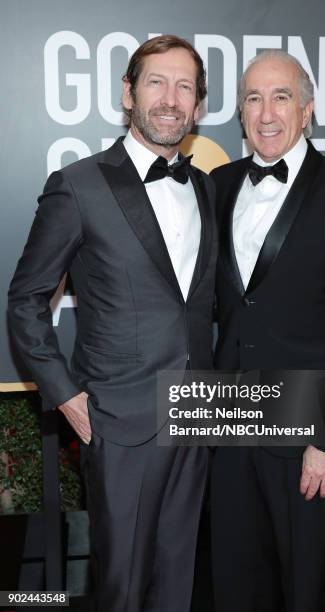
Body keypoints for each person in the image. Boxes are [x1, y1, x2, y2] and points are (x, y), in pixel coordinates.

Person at [8, 35, 217, 612]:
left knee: (179, 582)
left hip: (196, 416)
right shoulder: (78, 186)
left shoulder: (203, 188)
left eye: (185, 87)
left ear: (199, 105)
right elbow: (25, 299)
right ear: (128, 93)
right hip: (119, 421)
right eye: (157, 82)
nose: (171, 99)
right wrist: (67, 395)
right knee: (122, 586)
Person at [210, 49, 325, 611]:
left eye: (280, 96)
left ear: (307, 109)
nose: (266, 113)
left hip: (308, 434)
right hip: (226, 428)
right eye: (253, 99)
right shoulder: (216, 185)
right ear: (240, 113)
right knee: (235, 585)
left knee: (307, 591)